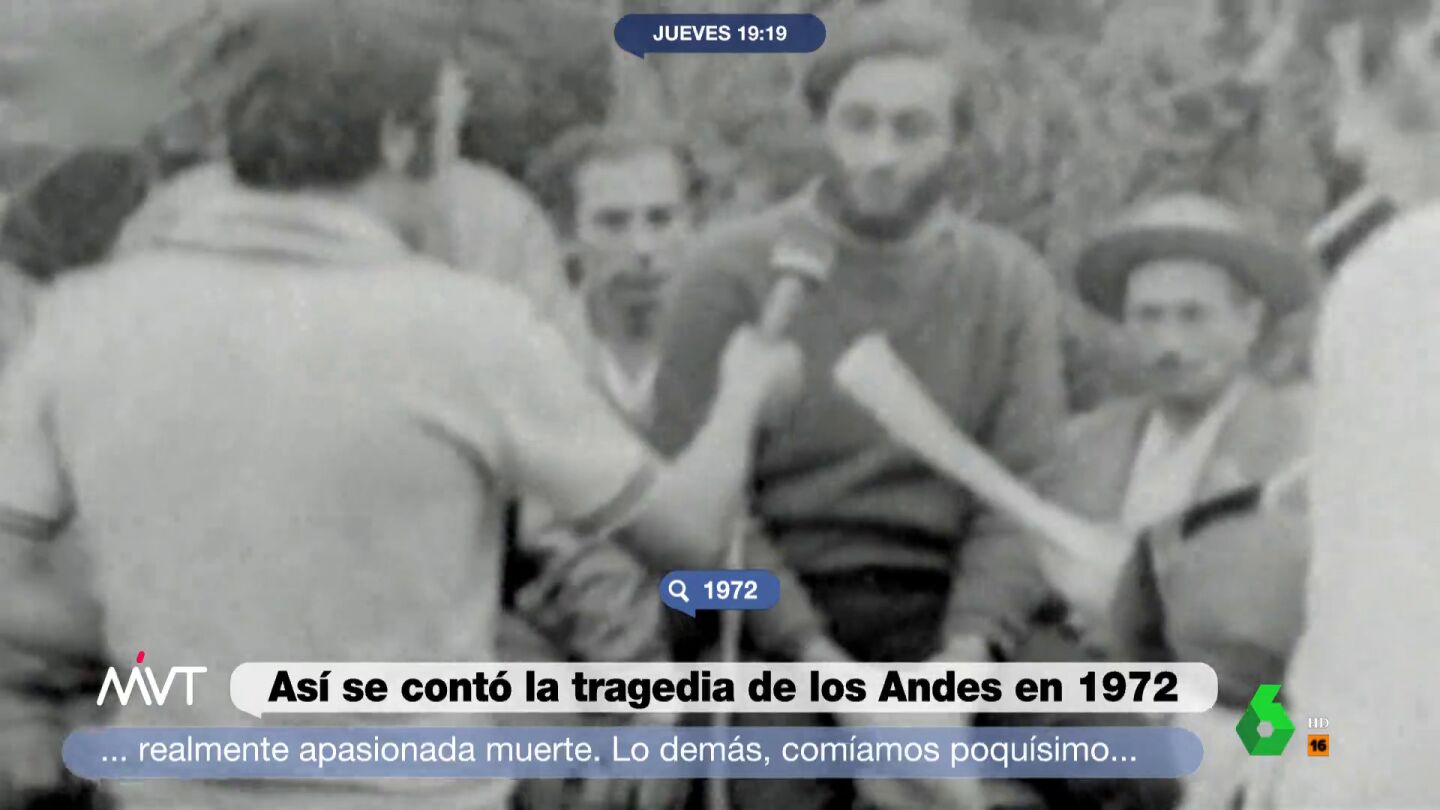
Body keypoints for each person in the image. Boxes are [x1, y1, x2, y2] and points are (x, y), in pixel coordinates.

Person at [0, 5, 798, 810]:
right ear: (397, 138)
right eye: (449, 127)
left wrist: (176, 636)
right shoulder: (470, 327)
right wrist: (744, 390)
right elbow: (691, 536)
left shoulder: (88, 316)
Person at [649, 8, 1066, 809]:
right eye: (858, 122)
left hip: (952, 609)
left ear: (959, 140)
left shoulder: (1009, 282)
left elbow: (1021, 495)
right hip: (777, 617)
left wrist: (960, 671)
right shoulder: (730, 272)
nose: (880, 154)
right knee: (774, 788)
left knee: (1134, 759)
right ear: (820, 124)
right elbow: (698, 515)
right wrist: (826, 673)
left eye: (913, 128)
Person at [1049, 192, 1316, 810]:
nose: (1169, 343)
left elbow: (1322, 655)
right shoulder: (1084, 445)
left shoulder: (1304, 444)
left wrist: (1266, 746)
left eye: (1195, 316)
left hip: (1263, 724)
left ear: (1250, 321)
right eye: (1148, 317)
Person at [1270, 5, 1440, 806]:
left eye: (1358, 90)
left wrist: (1283, 758)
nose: (1345, 140)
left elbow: (1365, 667)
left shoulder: (1401, 273)